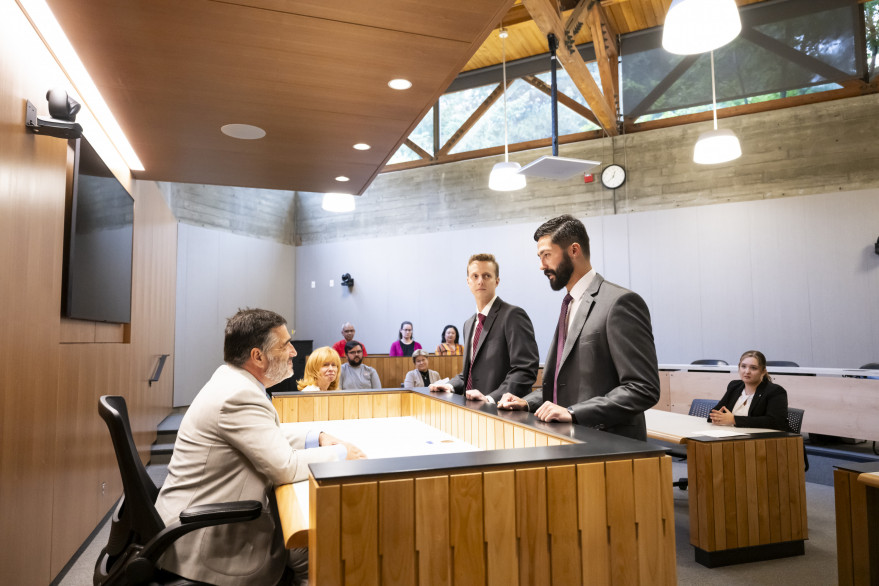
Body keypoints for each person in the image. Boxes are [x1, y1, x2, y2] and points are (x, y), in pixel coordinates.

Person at [154, 308, 364, 586]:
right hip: (205, 542)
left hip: (201, 520)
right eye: (285, 344)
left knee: (310, 546)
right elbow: (285, 467)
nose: (293, 352)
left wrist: (318, 436)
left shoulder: (232, 379)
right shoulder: (238, 394)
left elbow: (267, 433)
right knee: (329, 548)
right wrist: (340, 454)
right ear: (257, 356)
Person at [496, 215, 660, 441]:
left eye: (547, 255)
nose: (541, 265)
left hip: (611, 448)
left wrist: (574, 413)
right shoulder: (569, 304)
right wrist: (527, 402)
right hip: (570, 444)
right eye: (540, 257)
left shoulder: (620, 303)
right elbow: (560, 386)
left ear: (574, 250)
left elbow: (642, 388)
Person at [430, 253, 539, 403]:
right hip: (472, 410)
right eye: (475, 276)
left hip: (502, 412)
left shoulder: (513, 315)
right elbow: (468, 374)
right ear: (468, 282)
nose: (480, 281)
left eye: (486, 276)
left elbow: (525, 370)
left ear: (497, 281)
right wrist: (449, 386)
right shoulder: (468, 324)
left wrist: (490, 399)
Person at [709, 350, 790, 431]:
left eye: (753, 368)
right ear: (739, 367)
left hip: (766, 440)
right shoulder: (734, 386)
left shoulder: (775, 391)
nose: (747, 371)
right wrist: (716, 417)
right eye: (743, 366)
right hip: (734, 435)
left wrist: (734, 420)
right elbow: (715, 412)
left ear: (763, 371)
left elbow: (775, 422)